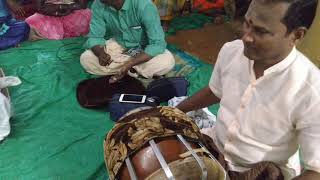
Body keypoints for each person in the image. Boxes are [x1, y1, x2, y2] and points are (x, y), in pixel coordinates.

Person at [176, 0, 320, 179]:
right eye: (247, 23)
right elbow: (215, 91)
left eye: (260, 31)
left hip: (263, 173)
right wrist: (174, 111)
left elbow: (315, 170)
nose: (246, 36)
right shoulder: (231, 51)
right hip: (215, 150)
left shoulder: (311, 90)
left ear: (296, 35)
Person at [79, 0, 175, 83]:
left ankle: (125, 69)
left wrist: (130, 63)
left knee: (167, 61)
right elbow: (95, 36)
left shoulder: (144, 5)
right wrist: (100, 53)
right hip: (120, 45)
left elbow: (157, 44)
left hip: (144, 48)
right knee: (86, 59)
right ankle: (132, 72)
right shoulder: (98, 4)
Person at [25, 0, 91, 40]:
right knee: (30, 22)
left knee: (88, 14)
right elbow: (38, 7)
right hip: (48, 14)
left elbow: (82, 4)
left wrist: (67, 7)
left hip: (72, 12)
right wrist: (58, 8)